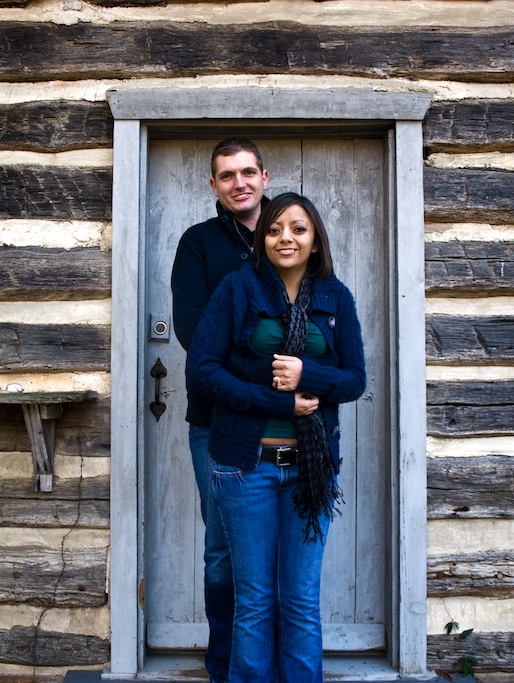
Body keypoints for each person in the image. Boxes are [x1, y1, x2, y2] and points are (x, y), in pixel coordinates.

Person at [186, 192, 366, 683]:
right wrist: (277, 402)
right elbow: (202, 369)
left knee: (301, 599)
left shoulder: (335, 297)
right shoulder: (238, 288)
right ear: (262, 239)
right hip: (245, 468)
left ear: (315, 241)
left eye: (298, 229)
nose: (285, 238)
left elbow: (355, 380)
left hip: (312, 468)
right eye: (273, 229)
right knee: (255, 598)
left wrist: (309, 374)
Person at [171, 138, 270, 683]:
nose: (239, 183)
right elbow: (194, 331)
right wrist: (262, 368)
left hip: (285, 419)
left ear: (264, 176)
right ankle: (225, 667)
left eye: (247, 172)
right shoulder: (198, 243)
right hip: (215, 421)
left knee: (283, 546)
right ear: (214, 185)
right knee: (222, 550)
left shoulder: (289, 234)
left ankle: (272, 663)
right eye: (227, 175)